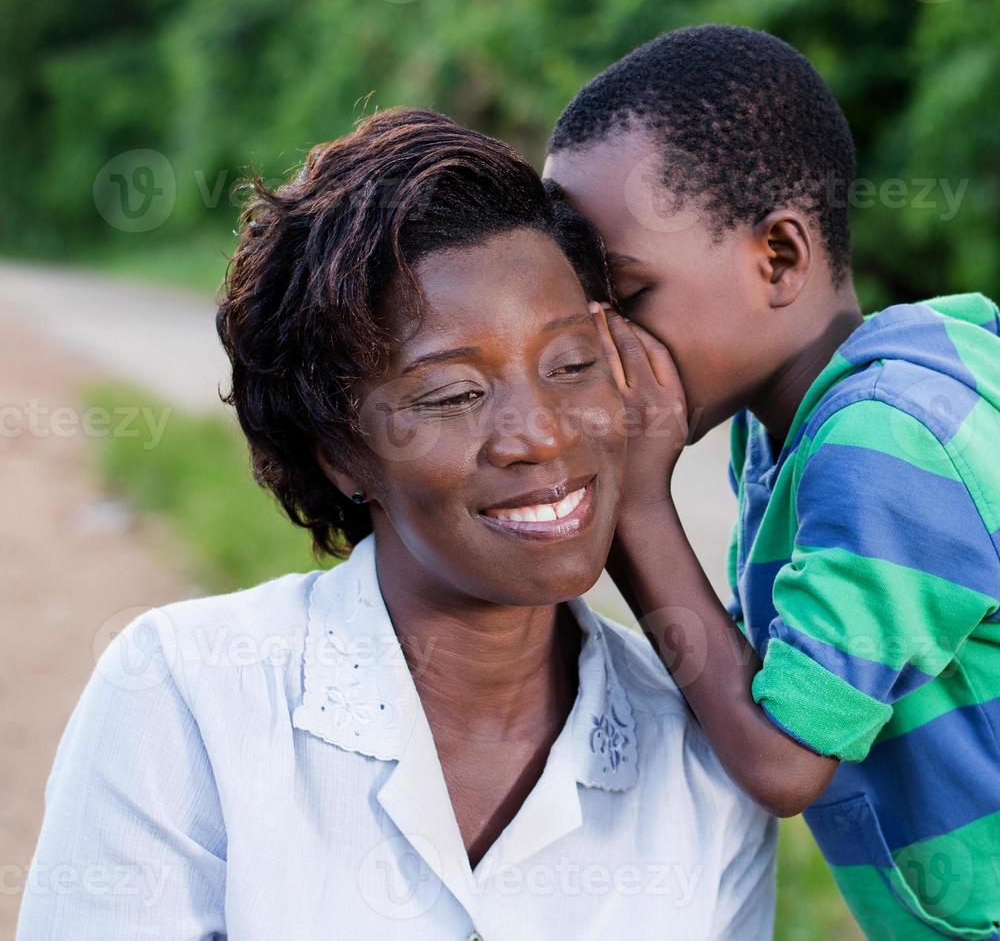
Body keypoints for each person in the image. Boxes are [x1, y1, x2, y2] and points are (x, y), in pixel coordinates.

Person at [544, 25, 1000, 940]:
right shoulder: (781, 431)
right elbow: (782, 674)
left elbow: (784, 759)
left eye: (626, 296)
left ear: (780, 258)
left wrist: (640, 505)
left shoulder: (886, 443)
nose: (603, 344)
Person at [18, 107, 776, 940]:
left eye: (573, 365)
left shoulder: (702, 758)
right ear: (340, 451)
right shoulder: (184, 698)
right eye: (454, 394)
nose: (544, 434)